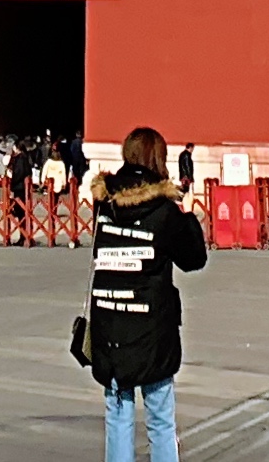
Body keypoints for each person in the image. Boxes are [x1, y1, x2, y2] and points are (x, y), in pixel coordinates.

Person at [81, 128, 208, 462]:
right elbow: (194, 259)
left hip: (110, 320)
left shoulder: (105, 204)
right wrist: (188, 216)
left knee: (118, 414)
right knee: (160, 418)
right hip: (151, 326)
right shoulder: (164, 211)